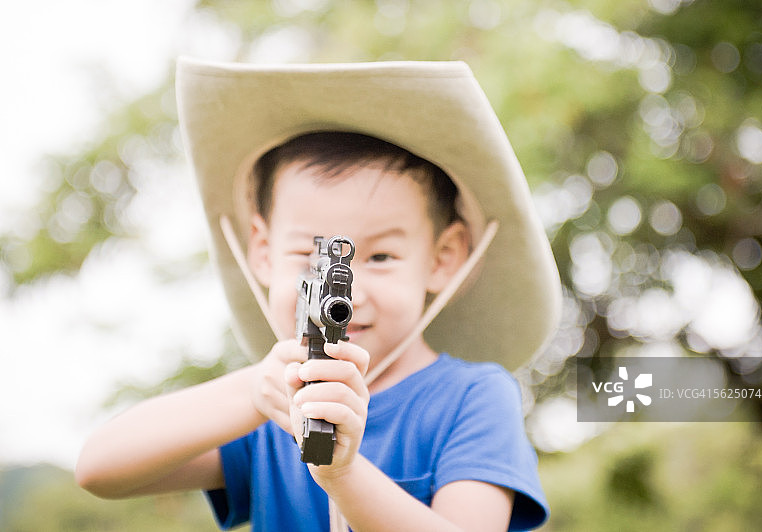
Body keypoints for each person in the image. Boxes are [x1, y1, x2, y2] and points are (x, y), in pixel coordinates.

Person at [75, 59, 562, 531]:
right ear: (262, 251)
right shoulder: (266, 409)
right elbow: (99, 467)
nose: (344, 291)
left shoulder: (472, 397)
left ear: (442, 258)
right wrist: (251, 393)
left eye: (380, 257)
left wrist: (343, 474)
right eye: (314, 257)